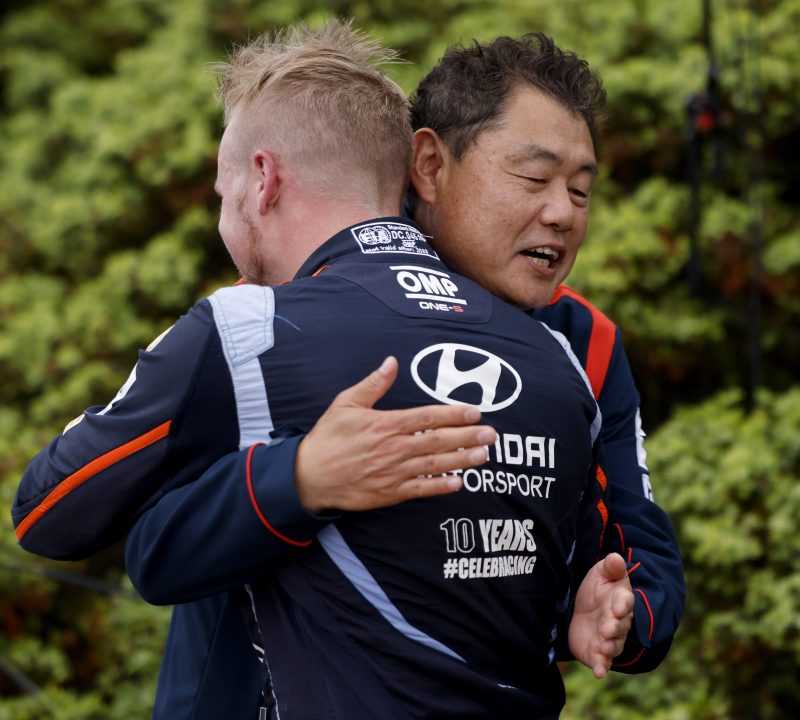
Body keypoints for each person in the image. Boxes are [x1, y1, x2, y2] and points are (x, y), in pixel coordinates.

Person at [11, 21, 633, 720]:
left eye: (222, 194)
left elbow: (46, 513)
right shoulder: (556, 355)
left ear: (263, 180)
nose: (222, 221)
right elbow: (560, 582)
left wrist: (296, 476)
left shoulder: (246, 329)